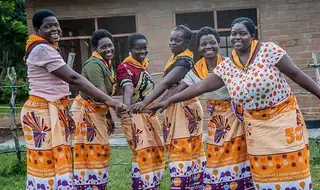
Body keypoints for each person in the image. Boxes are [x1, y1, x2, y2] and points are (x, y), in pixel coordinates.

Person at [150, 17, 320, 190]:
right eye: (233, 34)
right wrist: (168, 101)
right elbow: (200, 86)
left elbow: (297, 75)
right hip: (256, 127)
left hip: (284, 120)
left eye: (242, 33)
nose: (237, 37)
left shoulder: (268, 50)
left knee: (292, 166)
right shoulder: (228, 66)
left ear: (252, 35)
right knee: (264, 173)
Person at [21, 10, 126, 190]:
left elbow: (58, 87)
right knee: (46, 162)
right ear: (37, 30)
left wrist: (65, 112)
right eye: (48, 26)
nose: (54, 29)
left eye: (56, 25)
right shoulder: (42, 49)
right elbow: (74, 80)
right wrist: (112, 102)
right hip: (43, 113)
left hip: (52, 109)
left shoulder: (44, 47)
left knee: (57, 160)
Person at [131, 25, 206, 189]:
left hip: (184, 108)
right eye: (171, 39)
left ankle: (184, 184)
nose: (172, 43)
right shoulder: (176, 58)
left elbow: (166, 83)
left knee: (183, 148)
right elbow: (169, 88)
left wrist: (145, 103)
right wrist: (158, 105)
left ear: (186, 42)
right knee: (179, 147)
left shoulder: (185, 61)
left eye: (177, 40)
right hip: (176, 106)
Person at [181, 26, 253, 189]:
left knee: (238, 154)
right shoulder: (195, 71)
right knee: (216, 154)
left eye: (212, 42)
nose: (208, 47)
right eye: (203, 44)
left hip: (236, 118)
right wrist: (160, 102)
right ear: (198, 47)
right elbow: (182, 88)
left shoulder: (230, 65)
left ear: (218, 43)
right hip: (216, 121)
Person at [70, 29, 119, 189]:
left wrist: (108, 117)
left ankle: (98, 185)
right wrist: (117, 107)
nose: (108, 49)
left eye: (110, 45)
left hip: (97, 111)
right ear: (95, 49)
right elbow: (102, 94)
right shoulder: (93, 64)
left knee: (99, 151)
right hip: (86, 113)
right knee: (89, 154)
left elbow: (103, 98)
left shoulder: (106, 64)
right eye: (103, 47)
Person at [116, 33, 165, 190]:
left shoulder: (143, 65)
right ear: (130, 49)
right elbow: (128, 87)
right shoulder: (125, 67)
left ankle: (152, 186)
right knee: (142, 154)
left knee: (155, 152)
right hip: (136, 117)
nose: (142, 52)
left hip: (149, 116)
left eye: (145, 48)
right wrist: (128, 110)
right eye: (138, 49)